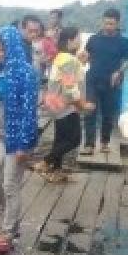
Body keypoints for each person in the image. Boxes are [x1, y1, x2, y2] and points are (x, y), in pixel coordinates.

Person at [0, 26, 40, 255]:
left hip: (17, 139)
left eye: (2, 51)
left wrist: (24, 145)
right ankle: (7, 222)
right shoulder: (2, 71)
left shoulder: (27, 73)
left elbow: (29, 112)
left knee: (9, 185)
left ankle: (7, 232)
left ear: (13, 48)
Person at [38, 27, 94, 182]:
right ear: (70, 40)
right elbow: (70, 87)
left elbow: (67, 77)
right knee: (74, 139)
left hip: (55, 103)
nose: (81, 41)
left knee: (60, 139)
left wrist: (79, 62)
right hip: (66, 105)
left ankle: (55, 171)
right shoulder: (68, 60)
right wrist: (82, 105)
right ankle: (45, 162)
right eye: (78, 38)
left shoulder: (61, 57)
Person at [80, 8, 128, 155]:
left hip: (112, 82)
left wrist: (119, 72)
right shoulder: (93, 39)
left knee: (108, 114)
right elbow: (86, 56)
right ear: (102, 21)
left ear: (117, 23)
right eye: (106, 23)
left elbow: (127, 60)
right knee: (90, 112)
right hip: (93, 80)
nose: (108, 26)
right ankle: (89, 144)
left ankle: (104, 143)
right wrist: (83, 57)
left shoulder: (123, 41)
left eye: (112, 24)